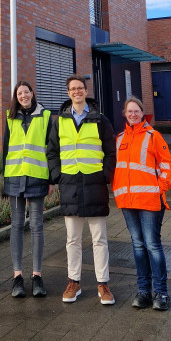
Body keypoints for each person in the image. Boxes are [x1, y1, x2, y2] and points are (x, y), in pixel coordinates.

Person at [47, 74, 116, 305]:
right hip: (70, 186)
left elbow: (110, 152)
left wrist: (105, 175)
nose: (77, 92)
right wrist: (57, 175)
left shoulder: (101, 120)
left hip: (94, 185)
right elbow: (52, 152)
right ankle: (73, 282)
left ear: (86, 91)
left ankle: (103, 284)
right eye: (72, 89)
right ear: (68, 93)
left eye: (80, 88)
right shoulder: (59, 121)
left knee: (99, 239)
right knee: (72, 239)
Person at [113, 96, 171, 311]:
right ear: (125, 114)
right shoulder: (120, 138)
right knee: (138, 246)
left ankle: (161, 293)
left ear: (142, 113)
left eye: (136, 111)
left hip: (149, 200)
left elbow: (168, 165)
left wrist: (161, 187)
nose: (133, 114)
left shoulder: (153, 136)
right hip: (128, 201)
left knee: (152, 246)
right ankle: (143, 293)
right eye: (129, 111)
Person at [3, 80, 52, 298]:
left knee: (36, 225)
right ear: (16, 96)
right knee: (16, 226)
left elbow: (51, 149)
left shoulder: (46, 116)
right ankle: (17, 277)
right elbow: (6, 149)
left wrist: (52, 179)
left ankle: (37, 276)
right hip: (14, 177)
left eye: (26, 92)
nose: (23, 95)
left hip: (37, 177)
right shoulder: (10, 117)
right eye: (19, 93)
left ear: (32, 93)